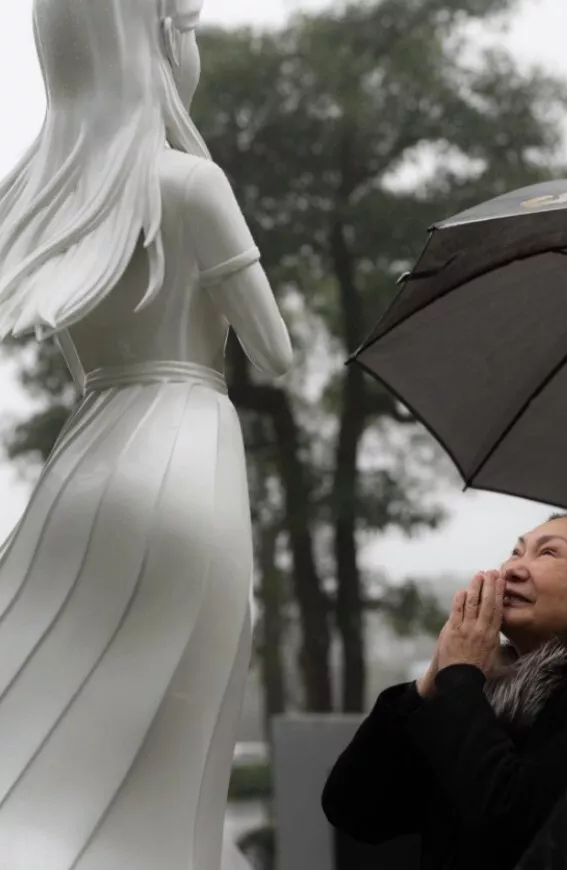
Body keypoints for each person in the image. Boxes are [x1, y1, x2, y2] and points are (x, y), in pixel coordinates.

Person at [0, 1, 292, 867]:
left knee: (60, 701)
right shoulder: (191, 184)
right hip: (185, 450)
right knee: (178, 721)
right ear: (156, 43)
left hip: (87, 459)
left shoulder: (42, 203)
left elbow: (76, 358)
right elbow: (275, 353)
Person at [322, 511, 567, 870]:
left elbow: (515, 824)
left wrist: (460, 677)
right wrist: (432, 680)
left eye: (548, 553)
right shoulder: (485, 690)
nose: (513, 569)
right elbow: (354, 810)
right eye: (516, 552)